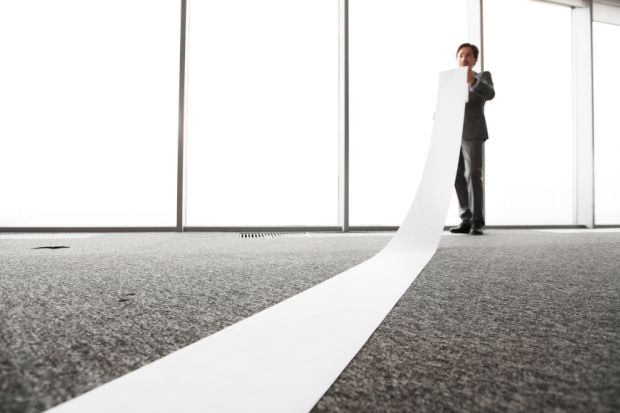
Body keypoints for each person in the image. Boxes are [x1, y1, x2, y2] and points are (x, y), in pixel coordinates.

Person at [450, 43, 495, 236]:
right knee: (457, 176)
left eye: (468, 55)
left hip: (473, 132)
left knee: (473, 175)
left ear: (474, 59)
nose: (464, 59)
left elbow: (490, 94)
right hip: (452, 134)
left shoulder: (482, 77)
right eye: (461, 55)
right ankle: (466, 219)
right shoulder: (451, 81)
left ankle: (478, 221)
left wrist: (473, 82)